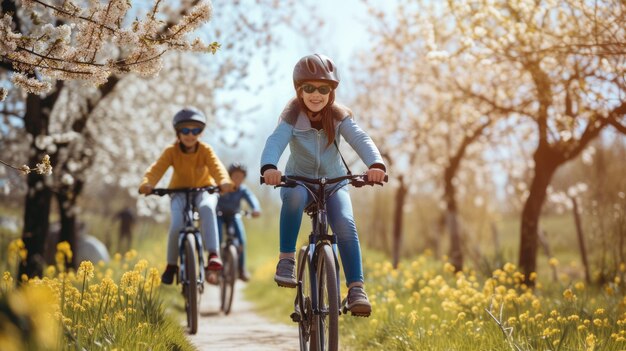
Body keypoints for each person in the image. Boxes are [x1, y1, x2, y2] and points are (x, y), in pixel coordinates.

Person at [260, 54, 387, 316]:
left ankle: (355, 290)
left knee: (344, 223)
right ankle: (286, 260)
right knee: (293, 198)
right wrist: (270, 168)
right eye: (309, 88)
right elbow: (275, 141)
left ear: (331, 92)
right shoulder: (292, 116)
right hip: (299, 181)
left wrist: (375, 164)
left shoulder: (339, 116)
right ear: (299, 90)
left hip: (333, 183)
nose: (316, 94)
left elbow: (360, 138)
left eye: (323, 89)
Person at [139, 107, 233, 285]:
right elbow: (156, 169)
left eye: (195, 130)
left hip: (205, 189)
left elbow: (217, 167)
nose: (190, 135)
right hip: (178, 191)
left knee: (207, 208)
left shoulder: (205, 149)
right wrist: (147, 184)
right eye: (185, 131)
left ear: (201, 133)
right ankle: (172, 265)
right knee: (176, 224)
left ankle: (213, 254)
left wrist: (224, 181)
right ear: (178, 132)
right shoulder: (171, 151)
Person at [216, 163, 262, 282]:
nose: (238, 179)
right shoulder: (223, 186)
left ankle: (241, 270)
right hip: (219, 215)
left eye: (241, 177)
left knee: (241, 240)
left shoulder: (242, 189)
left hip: (234, 216)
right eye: (235, 176)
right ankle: (215, 268)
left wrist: (256, 209)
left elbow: (252, 198)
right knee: (218, 236)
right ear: (229, 176)